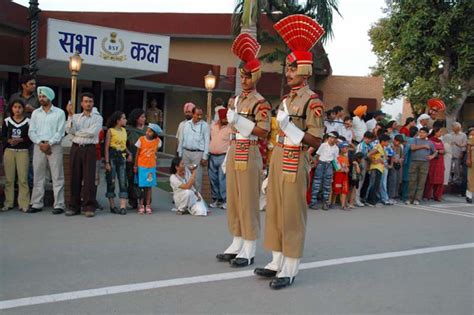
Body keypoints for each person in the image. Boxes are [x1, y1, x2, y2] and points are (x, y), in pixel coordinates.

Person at [255, 15, 326, 289]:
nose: (288, 72)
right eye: (287, 67)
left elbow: (316, 139)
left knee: (292, 214)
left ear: (305, 71)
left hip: (297, 160)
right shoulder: (286, 99)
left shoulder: (313, 101)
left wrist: (293, 131)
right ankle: (276, 260)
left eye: (293, 68)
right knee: (274, 210)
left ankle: (291, 266)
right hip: (278, 156)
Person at [215, 32, 271, 268]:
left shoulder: (261, 102)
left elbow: (263, 131)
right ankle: (236, 242)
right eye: (242, 76)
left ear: (256, 76)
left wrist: (239, 121)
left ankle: (249, 248)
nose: (245, 80)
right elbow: (234, 128)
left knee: (248, 201)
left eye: (248, 76)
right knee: (235, 201)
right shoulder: (236, 100)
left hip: (249, 151)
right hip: (236, 148)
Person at [28, 86, 66, 214]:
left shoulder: (59, 113)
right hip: (39, 146)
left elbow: (60, 131)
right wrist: (40, 143)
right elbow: (31, 131)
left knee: (57, 175)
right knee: (38, 175)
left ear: (49, 97)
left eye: (43, 96)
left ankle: (59, 204)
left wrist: (49, 143)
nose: (41, 99)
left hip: (54, 146)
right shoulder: (35, 113)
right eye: (39, 96)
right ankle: (36, 203)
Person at [65, 92, 103, 217]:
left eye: (90, 101)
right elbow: (69, 130)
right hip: (76, 148)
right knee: (74, 177)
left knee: (89, 178)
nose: (88, 104)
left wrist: (77, 132)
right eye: (86, 101)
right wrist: (70, 115)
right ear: (81, 103)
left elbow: (92, 133)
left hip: (89, 148)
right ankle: (73, 206)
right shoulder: (75, 117)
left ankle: (89, 206)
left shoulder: (97, 118)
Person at [1, 99, 31, 212]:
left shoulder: (28, 121)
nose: (17, 109)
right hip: (9, 151)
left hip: (22, 151)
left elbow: (30, 137)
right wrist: (9, 141)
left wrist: (22, 140)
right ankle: (8, 203)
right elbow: (3, 136)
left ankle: (24, 203)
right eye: (15, 107)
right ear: (11, 108)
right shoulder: (7, 121)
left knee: (23, 179)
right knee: (9, 179)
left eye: (19, 107)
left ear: (23, 109)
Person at [104, 111, 132, 215]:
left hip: (122, 157)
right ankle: (112, 206)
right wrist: (107, 162)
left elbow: (124, 146)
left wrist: (129, 154)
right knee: (111, 181)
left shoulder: (124, 131)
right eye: (124, 118)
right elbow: (106, 147)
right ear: (118, 120)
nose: (125, 120)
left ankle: (123, 206)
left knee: (123, 180)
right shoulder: (110, 131)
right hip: (112, 155)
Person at [177, 107, 210, 192]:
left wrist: (205, 156)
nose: (199, 117)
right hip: (185, 152)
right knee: (185, 176)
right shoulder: (186, 124)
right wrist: (179, 153)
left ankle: (197, 199)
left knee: (197, 177)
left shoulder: (205, 125)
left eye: (201, 115)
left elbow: (207, 141)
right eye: (197, 114)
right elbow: (181, 139)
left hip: (198, 154)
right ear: (193, 114)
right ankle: (185, 197)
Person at [134, 123, 162, 214]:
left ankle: (148, 204)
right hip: (142, 166)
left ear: (154, 133)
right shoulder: (141, 140)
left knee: (149, 186)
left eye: (150, 131)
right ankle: (141, 204)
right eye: (147, 130)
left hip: (151, 167)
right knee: (142, 186)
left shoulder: (157, 141)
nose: (147, 132)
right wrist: (135, 165)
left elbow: (156, 152)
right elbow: (137, 153)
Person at [406, 127, 437, 205]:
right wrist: (423, 146)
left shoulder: (430, 142)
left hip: (425, 163)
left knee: (421, 181)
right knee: (412, 181)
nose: (421, 134)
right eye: (420, 132)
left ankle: (417, 199)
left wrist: (432, 156)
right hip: (414, 162)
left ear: (427, 134)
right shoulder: (415, 140)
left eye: (423, 132)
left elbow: (435, 151)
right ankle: (410, 198)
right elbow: (412, 148)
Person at [208, 108, 232, 209]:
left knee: (223, 179)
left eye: (226, 118)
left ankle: (224, 200)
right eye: (224, 118)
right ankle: (215, 199)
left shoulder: (231, 128)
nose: (226, 120)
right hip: (212, 155)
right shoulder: (212, 126)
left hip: (223, 156)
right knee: (213, 178)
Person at [308, 133, 339, 210]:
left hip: (329, 164)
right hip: (321, 164)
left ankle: (325, 203)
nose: (332, 139)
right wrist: (317, 163)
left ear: (336, 139)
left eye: (334, 138)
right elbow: (318, 155)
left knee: (327, 185)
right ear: (328, 138)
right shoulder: (323, 145)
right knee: (316, 184)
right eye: (331, 137)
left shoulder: (336, 148)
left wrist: (336, 168)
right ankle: (313, 203)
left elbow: (335, 159)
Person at [126, 109, 147, 209]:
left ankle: (144, 200)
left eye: (144, 117)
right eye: (142, 117)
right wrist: (128, 153)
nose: (144, 119)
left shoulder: (147, 130)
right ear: (136, 118)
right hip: (132, 155)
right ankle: (133, 199)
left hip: (145, 157)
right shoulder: (129, 129)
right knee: (132, 178)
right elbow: (123, 142)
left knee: (144, 179)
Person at [366, 134, 391, 206]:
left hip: (380, 168)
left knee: (376, 185)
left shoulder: (382, 147)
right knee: (373, 184)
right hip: (376, 167)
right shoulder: (378, 147)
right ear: (383, 141)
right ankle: (369, 200)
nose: (388, 143)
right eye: (387, 142)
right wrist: (374, 161)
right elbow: (369, 154)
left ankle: (373, 200)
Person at [423, 128, 445, 201]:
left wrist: (442, 151)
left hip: (440, 161)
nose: (441, 133)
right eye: (440, 131)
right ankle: (427, 195)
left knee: (440, 178)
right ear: (435, 132)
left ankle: (438, 196)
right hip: (432, 161)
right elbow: (430, 150)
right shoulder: (430, 140)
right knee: (431, 178)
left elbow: (443, 150)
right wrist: (438, 151)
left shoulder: (441, 141)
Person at [356, 131, 375, 205]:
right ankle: (356, 199)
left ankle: (362, 197)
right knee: (360, 181)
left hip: (368, 164)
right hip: (361, 163)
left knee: (365, 182)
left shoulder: (370, 146)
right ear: (364, 137)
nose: (368, 140)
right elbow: (358, 156)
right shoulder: (360, 146)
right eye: (367, 138)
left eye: (370, 139)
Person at [331, 141, 350, 210]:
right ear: (341, 148)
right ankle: (332, 203)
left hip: (345, 176)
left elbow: (347, 166)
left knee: (344, 190)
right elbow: (335, 168)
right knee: (336, 189)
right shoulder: (337, 157)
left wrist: (347, 169)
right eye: (345, 147)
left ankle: (343, 205)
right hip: (338, 176)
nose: (347, 149)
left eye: (347, 147)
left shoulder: (346, 157)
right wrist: (342, 170)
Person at [401, 126, 418, 201]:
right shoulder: (413, 140)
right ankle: (406, 195)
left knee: (406, 179)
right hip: (411, 161)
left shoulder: (406, 139)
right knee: (409, 179)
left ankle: (404, 195)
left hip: (406, 161)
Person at [450, 122, 467, 189]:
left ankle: (456, 180)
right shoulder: (451, 134)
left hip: (458, 153)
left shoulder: (463, 135)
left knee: (457, 168)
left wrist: (462, 153)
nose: (452, 128)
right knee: (450, 167)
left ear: (458, 128)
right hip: (451, 153)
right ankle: (450, 180)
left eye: (453, 127)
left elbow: (464, 144)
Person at [387, 134, 405, 200]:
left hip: (398, 165)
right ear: (394, 140)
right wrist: (394, 160)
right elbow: (388, 156)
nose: (398, 143)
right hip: (392, 165)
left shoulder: (400, 147)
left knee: (398, 180)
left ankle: (395, 194)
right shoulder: (390, 146)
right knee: (392, 180)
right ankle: (391, 195)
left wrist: (400, 160)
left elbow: (402, 156)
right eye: (398, 142)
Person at [466, 127, 474, 203]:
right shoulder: (472, 134)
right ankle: (469, 195)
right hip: (473, 158)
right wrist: (468, 158)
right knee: (471, 177)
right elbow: (469, 146)